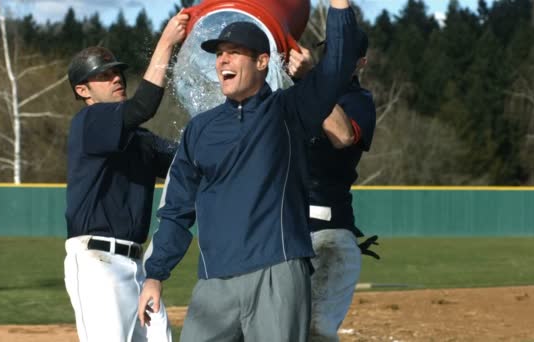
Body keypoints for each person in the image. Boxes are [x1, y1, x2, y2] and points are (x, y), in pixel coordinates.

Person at [138, 1, 361, 341]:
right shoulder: (201, 130)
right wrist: (155, 275)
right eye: (219, 53)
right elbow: (177, 209)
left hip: (277, 272)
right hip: (215, 282)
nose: (222, 60)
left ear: (262, 61)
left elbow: (336, 67)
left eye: (234, 52)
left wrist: (339, 5)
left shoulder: (289, 111)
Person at [63, 11, 189, 342]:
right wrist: (166, 43)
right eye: (103, 75)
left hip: (140, 268)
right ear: (83, 90)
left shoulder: (139, 139)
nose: (116, 77)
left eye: (117, 72)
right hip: (97, 265)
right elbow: (143, 106)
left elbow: (190, 160)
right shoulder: (89, 122)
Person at [288, 29, 379, 342]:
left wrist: (312, 79)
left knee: (314, 333)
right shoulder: (295, 90)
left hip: (326, 232)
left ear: (361, 62)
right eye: (331, 51)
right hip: (282, 230)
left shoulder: (359, 100)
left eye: (345, 53)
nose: (335, 58)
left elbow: (342, 135)